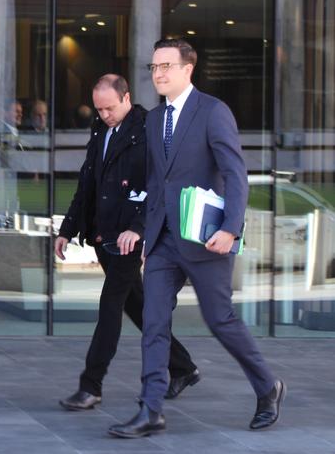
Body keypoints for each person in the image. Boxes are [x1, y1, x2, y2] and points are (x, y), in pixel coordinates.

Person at [108, 39, 285, 439]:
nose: (158, 74)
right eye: (154, 67)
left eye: (166, 66)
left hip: (206, 238)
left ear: (189, 69)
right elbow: (156, 181)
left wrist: (231, 229)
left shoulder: (213, 112)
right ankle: (150, 409)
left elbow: (235, 174)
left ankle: (267, 386)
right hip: (163, 241)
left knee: (219, 319)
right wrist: (141, 228)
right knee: (153, 322)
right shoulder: (154, 120)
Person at [56, 74, 198, 412]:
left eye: (109, 108)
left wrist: (139, 228)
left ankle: (91, 385)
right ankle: (183, 367)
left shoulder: (149, 129)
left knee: (109, 309)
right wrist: (67, 228)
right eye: (98, 109)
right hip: (103, 235)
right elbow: (87, 185)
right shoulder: (99, 130)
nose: (104, 114)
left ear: (126, 98)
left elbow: (158, 185)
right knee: (137, 305)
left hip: (127, 239)